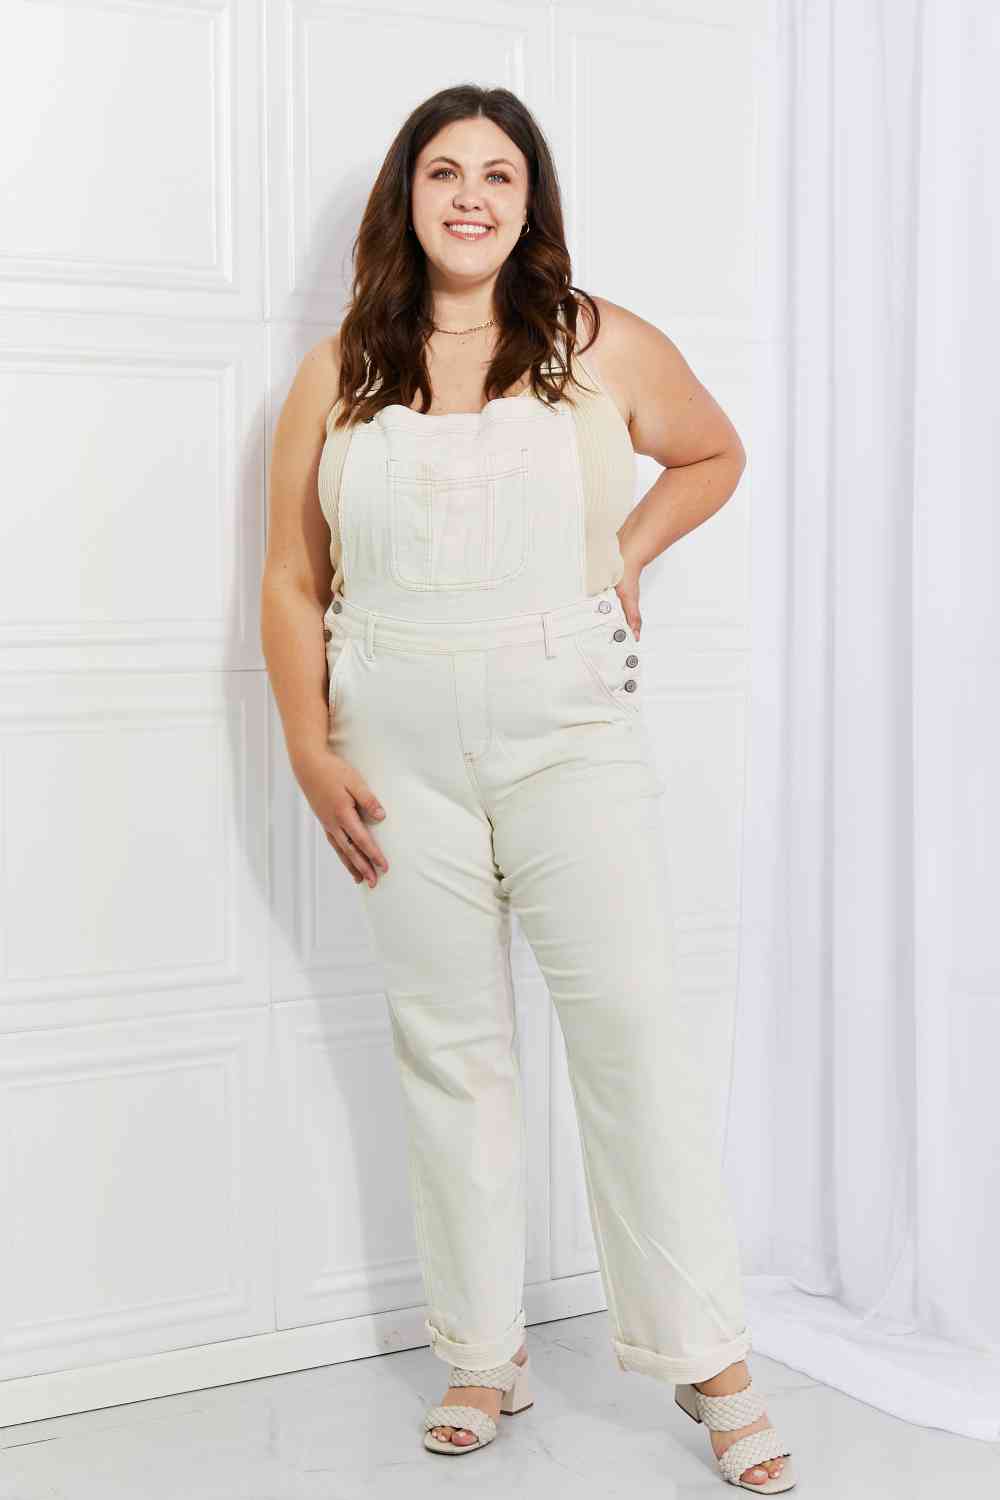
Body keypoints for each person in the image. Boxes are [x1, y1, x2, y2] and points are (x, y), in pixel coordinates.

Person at [261, 84, 795, 1493]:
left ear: (530, 202)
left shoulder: (593, 341)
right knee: (451, 1051)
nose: (472, 197)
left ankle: (711, 1361)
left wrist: (626, 551)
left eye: (499, 175)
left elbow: (714, 451)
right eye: (445, 172)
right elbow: (293, 576)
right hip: (393, 744)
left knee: (631, 1037)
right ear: (407, 196)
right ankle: (480, 1352)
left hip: (568, 728)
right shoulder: (337, 371)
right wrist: (310, 746)